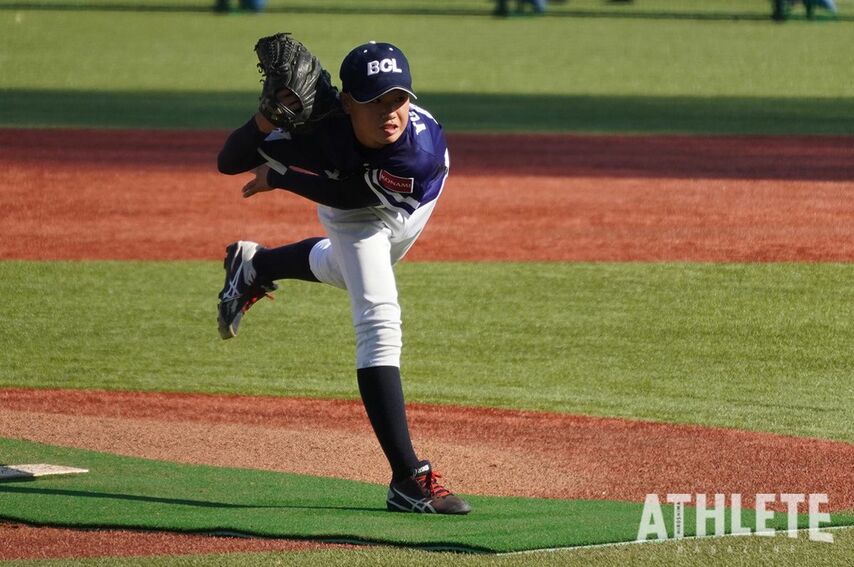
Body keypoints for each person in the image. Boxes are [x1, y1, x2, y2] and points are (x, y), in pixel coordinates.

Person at [216, 40, 471, 515]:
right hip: (350, 215)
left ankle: (256, 266)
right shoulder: (321, 127)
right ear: (347, 102)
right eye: (376, 100)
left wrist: (281, 178)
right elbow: (228, 161)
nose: (390, 111)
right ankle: (408, 480)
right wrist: (266, 119)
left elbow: (354, 190)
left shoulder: (417, 150)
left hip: (416, 195)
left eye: (399, 98)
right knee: (379, 316)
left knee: (351, 272)